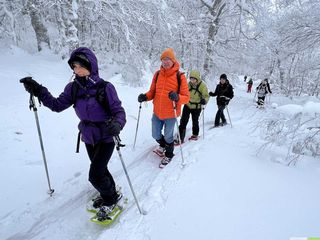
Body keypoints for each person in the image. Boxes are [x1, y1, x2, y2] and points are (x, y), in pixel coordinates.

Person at [20, 47, 126, 213]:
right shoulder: (73, 88)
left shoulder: (105, 87)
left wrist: (118, 124)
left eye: (81, 66)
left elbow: (118, 111)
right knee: (100, 169)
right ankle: (110, 192)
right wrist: (39, 91)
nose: (77, 70)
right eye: (74, 67)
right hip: (88, 136)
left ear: (91, 65)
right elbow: (57, 105)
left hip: (106, 136)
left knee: (95, 175)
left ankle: (111, 198)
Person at [137, 48, 189, 168]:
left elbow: (186, 97)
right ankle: (163, 145)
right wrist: (145, 96)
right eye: (163, 59)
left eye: (168, 59)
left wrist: (177, 97)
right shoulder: (157, 74)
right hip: (157, 112)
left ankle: (169, 154)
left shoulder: (180, 76)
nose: (165, 62)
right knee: (155, 134)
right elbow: (153, 92)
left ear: (173, 60)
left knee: (168, 136)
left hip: (171, 113)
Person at [177, 70, 209, 143]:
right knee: (183, 121)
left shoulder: (202, 86)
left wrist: (204, 100)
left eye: (194, 79)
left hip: (196, 107)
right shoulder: (188, 84)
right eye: (191, 78)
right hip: (187, 105)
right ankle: (180, 137)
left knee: (195, 121)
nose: (192, 80)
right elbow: (183, 92)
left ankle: (195, 134)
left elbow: (206, 96)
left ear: (197, 78)